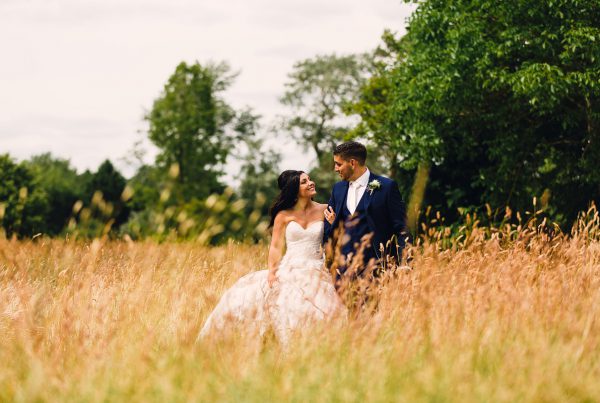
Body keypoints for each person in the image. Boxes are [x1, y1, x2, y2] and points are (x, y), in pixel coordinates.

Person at [198, 170, 346, 345]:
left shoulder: (325, 209)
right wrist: (272, 272)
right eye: (304, 182)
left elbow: (337, 238)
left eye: (309, 179)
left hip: (315, 268)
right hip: (290, 268)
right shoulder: (283, 215)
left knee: (320, 310)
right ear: (294, 189)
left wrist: (335, 222)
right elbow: (275, 247)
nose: (311, 183)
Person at [323, 141, 411, 285]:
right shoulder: (337, 189)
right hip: (342, 272)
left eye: (338, 164)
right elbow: (328, 227)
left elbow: (402, 229)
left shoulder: (386, 187)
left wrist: (405, 263)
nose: (335, 168)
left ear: (352, 163)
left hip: (377, 269)